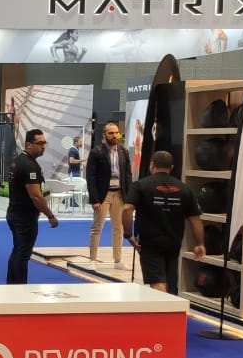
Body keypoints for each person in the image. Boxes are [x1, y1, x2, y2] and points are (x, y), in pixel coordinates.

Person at [122, 151, 205, 294]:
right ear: (171, 167)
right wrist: (200, 244)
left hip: (150, 242)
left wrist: (128, 234)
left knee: (157, 281)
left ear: (152, 165)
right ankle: (169, 304)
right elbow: (195, 219)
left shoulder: (141, 186)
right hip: (173, 242)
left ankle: (163, 306)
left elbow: (126, 209)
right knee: (170, 280)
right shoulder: (185, 188)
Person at [5, 129, 59, 284]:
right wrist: (50, 216)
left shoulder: (18, 160)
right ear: (28, 144)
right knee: (23, 254)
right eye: (39, 143)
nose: (43, 146)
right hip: (24, 217)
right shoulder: (29, 166)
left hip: (14, 213)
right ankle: (19, 288)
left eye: (44, 143)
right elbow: (36, 196)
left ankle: (11, 286)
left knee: (17, 250)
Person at [86, 122, 132, 270]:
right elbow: (91, 177)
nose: (114, 135)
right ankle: (92, 260)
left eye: (116, 132)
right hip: (102, 195)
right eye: (111, 133)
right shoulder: (96, 152)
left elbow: (128, 175)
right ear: (104, 135)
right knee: (97, 228)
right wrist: (94, 199)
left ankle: (118, 261)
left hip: (119, 194)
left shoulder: (123, 151)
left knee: (118, 228)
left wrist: (129, 197)